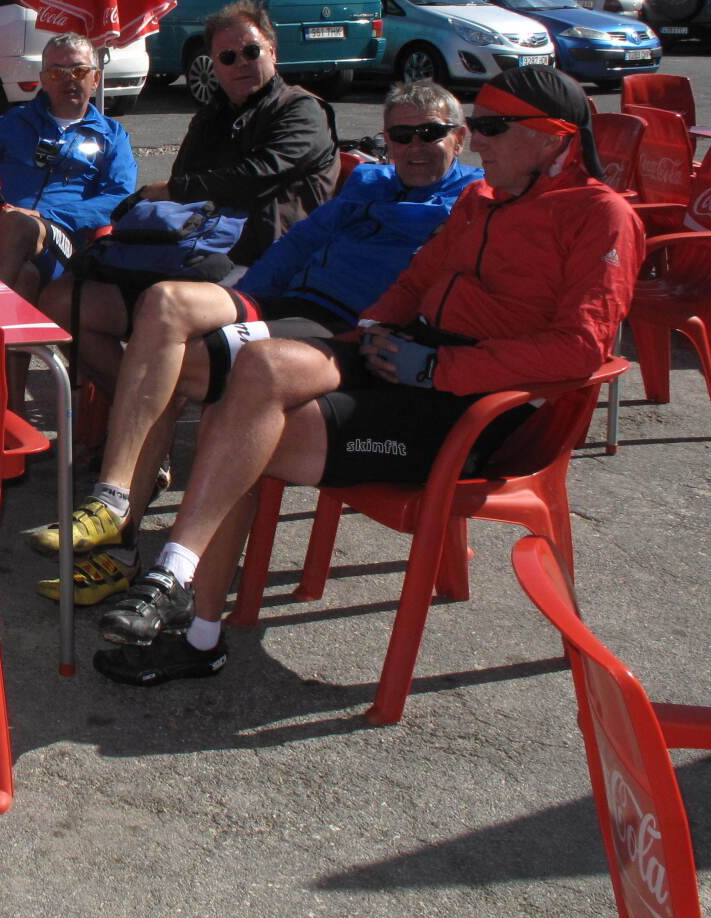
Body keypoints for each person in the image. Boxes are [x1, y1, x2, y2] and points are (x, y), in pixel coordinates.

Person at [88, 66, 642, 687]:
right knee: (256, 370)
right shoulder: (482, 201)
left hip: (478, 406)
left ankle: (187, 610)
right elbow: (417, 279)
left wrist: (439, 367)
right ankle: (177, 588)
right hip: (414, 360)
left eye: (491, 127)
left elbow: (581, 348)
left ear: (553, 136)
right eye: (477, 124)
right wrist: (377, 325)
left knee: (235, 425)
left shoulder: (600, 215)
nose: (480, 140)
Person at [25, 81, 481, 604]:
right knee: (165, 304)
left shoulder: (472, 199)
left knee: (176, 366)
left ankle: (125, 551)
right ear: (387, 140)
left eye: (431, 133)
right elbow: (303, 240)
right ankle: (113, 497)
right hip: (288, 300)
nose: (415, 147)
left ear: (460, 137)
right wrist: (245, 300)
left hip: (345, 329)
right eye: (402, 136)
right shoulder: (370, 181)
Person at [40, 0, 338, 396]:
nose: (241, 63)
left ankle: (140, 416)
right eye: (228, 57)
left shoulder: (301, 110)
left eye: (251, 51)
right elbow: (181, 189)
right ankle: (136, 407)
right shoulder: (213, 116)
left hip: (260, 266)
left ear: (272, 51)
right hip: (193, 257)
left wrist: (174, 190)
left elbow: (259, 174)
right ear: (214, 66)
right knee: (62, 300)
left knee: (160, 306)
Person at [0, 33, 137, 302]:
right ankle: (7, 329)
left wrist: (42, 214)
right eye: (56, 72)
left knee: (17, 223)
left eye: (78, 70)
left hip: (62, 238)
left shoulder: (112, 136)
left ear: (95, 78)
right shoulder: (13, 123)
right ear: (43, 79)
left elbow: (118, 198)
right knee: (24, 276)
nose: (68, 79)